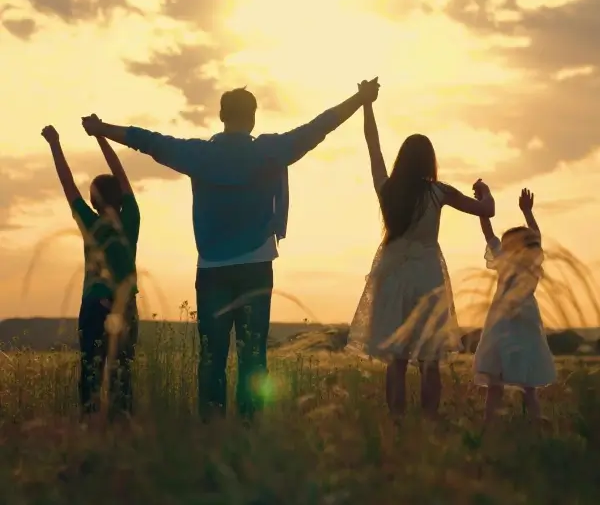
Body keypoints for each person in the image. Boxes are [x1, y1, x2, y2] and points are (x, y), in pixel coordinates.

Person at [80, 78, 380, 422]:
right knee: (253, 356)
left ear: (222, 116)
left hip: (211, 270)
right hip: (256, 266)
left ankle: (212, 427)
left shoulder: (199, 154)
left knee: (212, 358)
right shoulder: (268, 151)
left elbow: (148, 141)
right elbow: (319, 127)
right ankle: (249, 429)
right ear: (252, 118)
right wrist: (359, 98)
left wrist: (100, 128)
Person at [346, 89, 495, 419]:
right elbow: (487, 209)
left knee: (396, 361)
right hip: (427, 275)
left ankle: (397, 421)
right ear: (430, 162)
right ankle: (428, 423)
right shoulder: (438, 192)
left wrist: (367, 106)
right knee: (429, 359)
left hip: (392, 272)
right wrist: (484, 191)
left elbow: (373, 146)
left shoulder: (387, 188)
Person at [41, 122, 140, 421]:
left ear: (93, 200)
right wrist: (100, 136)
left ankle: (90, 425)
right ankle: (122, 428)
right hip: (126, 305)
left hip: (94, 304)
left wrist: (54, 144)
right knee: (122, 370)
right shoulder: (131, 219)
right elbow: (121, 175)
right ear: (121, 198)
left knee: (91, 372)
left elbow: (67, 185)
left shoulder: (89, 222)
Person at [472, 186, 556, 424]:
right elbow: (535, 236)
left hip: (502, 322)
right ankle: (536, 419)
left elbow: (488, 233)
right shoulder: (532, 262)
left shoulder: (505, 261)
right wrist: (527, 212)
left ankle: (491, 423)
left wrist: (482, 207)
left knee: (495, 382)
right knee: (527, 382)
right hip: (525, 318)